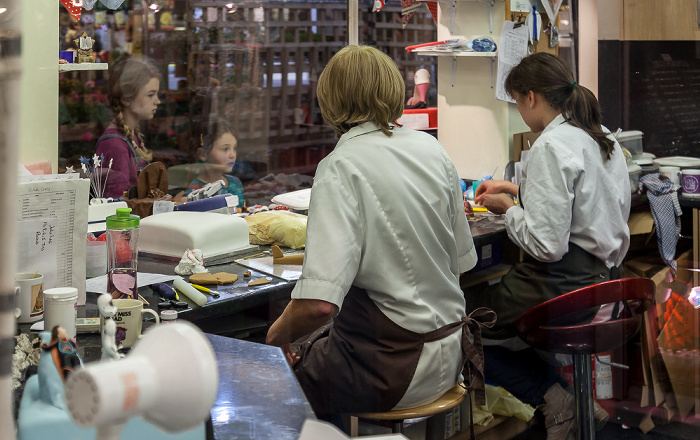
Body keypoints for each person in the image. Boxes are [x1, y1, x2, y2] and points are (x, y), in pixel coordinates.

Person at [266, 45, 489, 424]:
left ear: (331, 100)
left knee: (268, 382)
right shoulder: (431, 148)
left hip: (390, 370)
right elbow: (463, 262)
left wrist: (273, 340)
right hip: (453, 355)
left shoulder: (340, 166)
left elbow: (319, 305)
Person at [471, 52, 631, 440]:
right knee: (487, 321)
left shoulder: (550, 145)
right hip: (607, 281)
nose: (519, 112)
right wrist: (517, 189)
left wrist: (508, 209)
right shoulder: (599, 133)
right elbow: (582, 203)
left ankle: (556, 401)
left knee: (459, 328)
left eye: (515, 102)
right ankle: (568, 401)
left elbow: (546, 245)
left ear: (530, 97)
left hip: (567, 285)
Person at [95, 58, 160, 199]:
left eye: (156, 94)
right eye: (150, 95)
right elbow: (118, 204)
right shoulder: (114, 144)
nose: (157, 101)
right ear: (126, 99)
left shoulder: (130, 136)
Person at [183, 117, 246, 209]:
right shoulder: (195, 192)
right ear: (203, 154)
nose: (232, 155)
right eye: (225, 149)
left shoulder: (235, 182)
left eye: (234, 148)